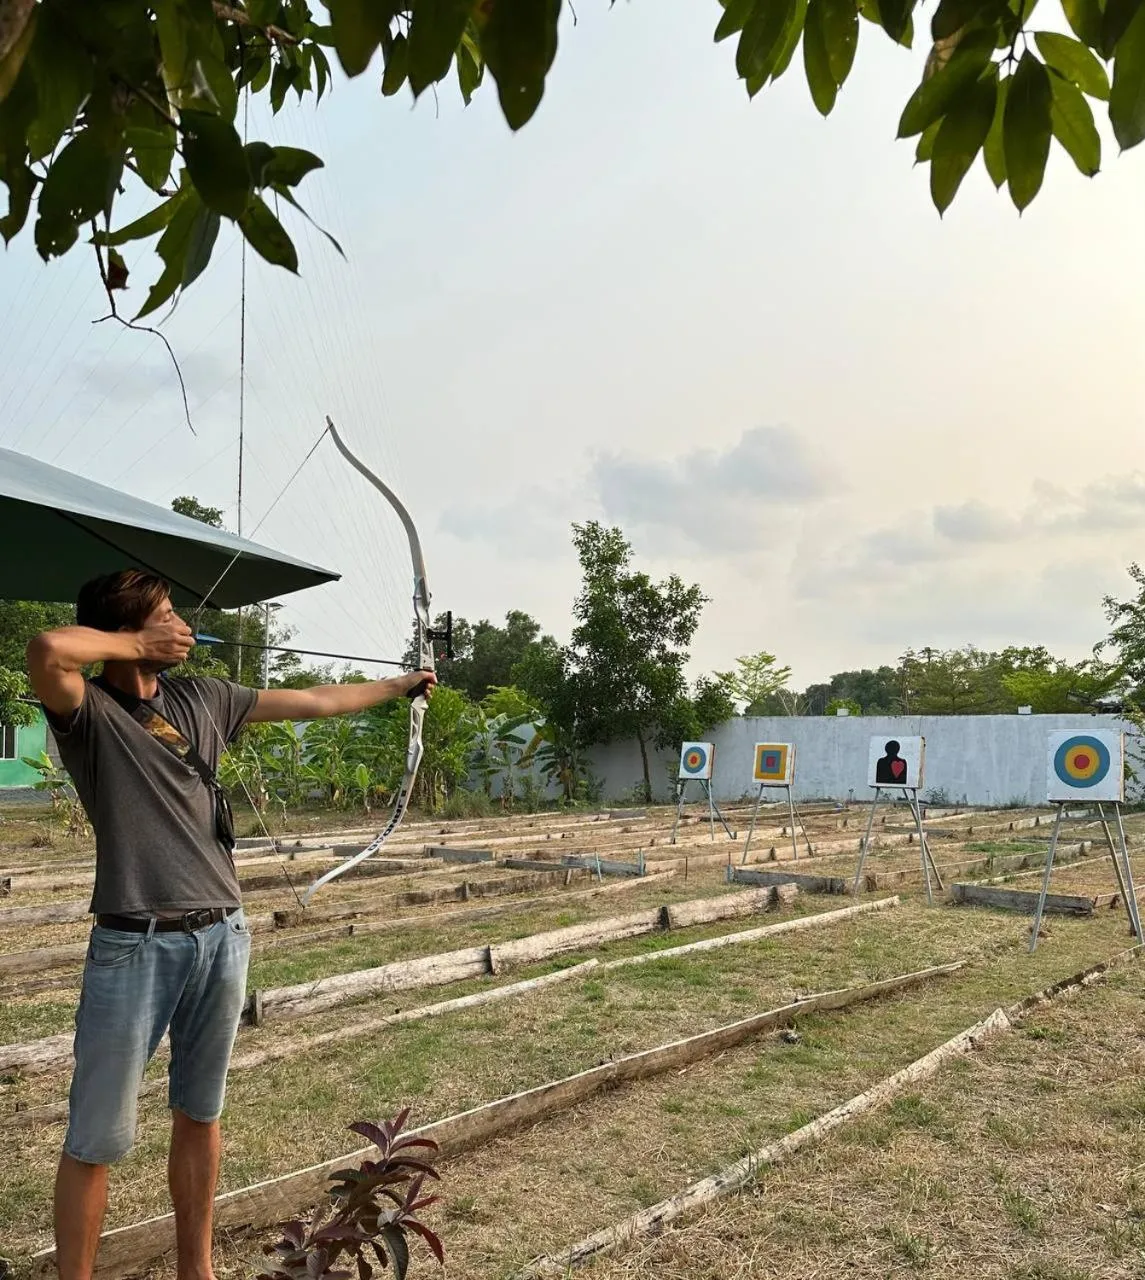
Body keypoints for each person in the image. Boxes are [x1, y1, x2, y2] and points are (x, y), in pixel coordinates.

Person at [25, 569, 436, 1280]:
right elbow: (47, 648)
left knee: (200, 1112)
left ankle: (197, 1270)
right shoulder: (87, 712)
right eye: (165, 616)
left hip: (222, 936)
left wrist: (400, 686)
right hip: (134, 943)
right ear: (128, 627)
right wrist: (132, 640)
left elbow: (316, 699)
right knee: (96, 1137)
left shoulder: (204, 696)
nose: (181, 626)